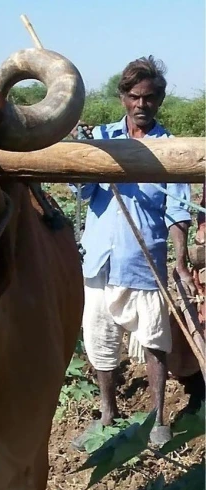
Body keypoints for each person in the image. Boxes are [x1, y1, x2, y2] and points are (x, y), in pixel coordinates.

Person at [72, 56, 194, 446]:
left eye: (151, 98)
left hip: (145, 262)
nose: (143, 105)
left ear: (160, 99)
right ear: (123, 96)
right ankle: (108, 411)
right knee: (99, 340)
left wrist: (180, 259)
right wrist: (83, 152)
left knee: (154, 341)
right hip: (100, 260)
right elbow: (82, 190)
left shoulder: (171, 148)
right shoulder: (101, 137)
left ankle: (158, 418)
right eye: (135, 97)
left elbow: (177, 210)